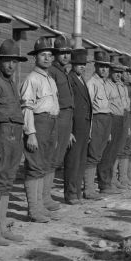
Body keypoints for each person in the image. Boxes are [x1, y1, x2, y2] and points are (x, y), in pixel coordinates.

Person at [0, 40, 27, 243]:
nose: (11, 65)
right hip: (2, 135)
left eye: (14, 61)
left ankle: (2, 227)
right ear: (0, 61)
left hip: (15, 136)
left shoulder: (12, 83)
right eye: (7, 61)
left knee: (8, 181)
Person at [20, 37, 60, 222]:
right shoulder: (32, 79)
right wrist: (31, 133)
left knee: (44, 166)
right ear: (35, 57)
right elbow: (26, 108)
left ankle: (40, 205)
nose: (47, 58)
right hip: (38, 123)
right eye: (43, 55)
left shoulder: (50, 79)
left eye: (50, 55)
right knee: (34, 166)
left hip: (51, 123)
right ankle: (33, 209)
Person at [45, 35, 74, 211]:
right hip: (58, 117)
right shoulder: (53, 72)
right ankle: (45, 197)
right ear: (55, 54)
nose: (65, 56)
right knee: (51, 158)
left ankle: (46, 196)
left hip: (67, 119)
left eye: (67, 53)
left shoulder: (65, 72)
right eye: (61, 53)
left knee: (57, 160)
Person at [63, 48, 92, 205]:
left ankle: (77, 192)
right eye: (78, 64)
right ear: (72, 64)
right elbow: (69, 107)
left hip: (84, 126)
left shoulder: (81, 79)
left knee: (81, 161)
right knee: (72, 161)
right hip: (74, 127)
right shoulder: (70, 79)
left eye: (84, 64)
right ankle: (70, 194)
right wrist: (69, 131)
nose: (82, 66)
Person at [96, 59, 128, 194]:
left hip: (121, 119)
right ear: (111, 72)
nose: (118, 75)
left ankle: (111, 180)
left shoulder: (121, 86)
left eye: (120, 73)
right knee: (107, 153)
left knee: (115, 152)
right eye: (115, 72)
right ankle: (104, 184)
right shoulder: (106, 85)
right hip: (111, 119)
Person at [84, 51, 112, 198]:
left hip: (106, 120)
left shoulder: (106, 83)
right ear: (96, 66)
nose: (104, 70)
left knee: (99, 155)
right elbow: (87, 109)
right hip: (96, 121)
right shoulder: (91, 83)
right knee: (93, 155)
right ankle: (88, 189)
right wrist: (89, 131)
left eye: (106, 67)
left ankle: (94, 188)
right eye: (101, 67)